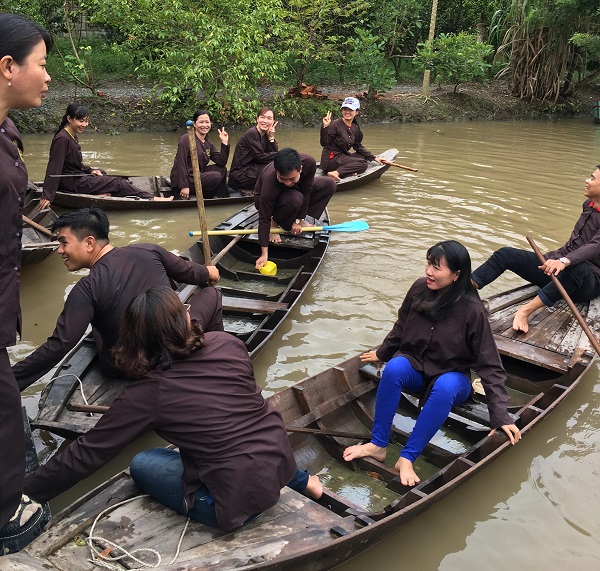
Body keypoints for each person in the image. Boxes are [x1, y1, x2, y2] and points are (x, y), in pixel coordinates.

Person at [24, 286, 323, 530]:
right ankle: (304, 480)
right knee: (239, 435)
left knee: (143, 461)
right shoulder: (228, 343)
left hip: (233, 506)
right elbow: (212, 296)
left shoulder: (147, 393)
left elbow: (87, 452)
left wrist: (23, 494)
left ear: (133, 340)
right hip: (281, 464)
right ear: (184, 318)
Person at [343, 240, 521, 487]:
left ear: (457, 275)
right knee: (394, 368)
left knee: (446, 387)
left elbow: (490, 364)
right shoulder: (418, 289)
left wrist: (500, 415)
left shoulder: (473, 310)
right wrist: (384, 353)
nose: (428, 271)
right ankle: (378, 444)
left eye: (437, 267)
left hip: (453, 376)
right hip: (418, 366)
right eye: (429, 263)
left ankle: (407, 457)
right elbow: (401, 326)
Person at [12, 207, 222, 390]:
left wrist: (10, 379)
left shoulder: (86, 288)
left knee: (96, 332)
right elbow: (193, 273)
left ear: (89, 243)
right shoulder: (149, 250)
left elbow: (59, 346)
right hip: (175, 347)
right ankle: (212, 353)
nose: (59, 250)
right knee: (212, 294)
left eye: (63, 243)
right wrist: (209, 272)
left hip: (130, 366)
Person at [0, 12, 51, 546]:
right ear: (8, 66)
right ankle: (4, 517)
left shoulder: (6, 133)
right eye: (41, 64)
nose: (47, 75)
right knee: (6, 423)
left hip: (2, 303)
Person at [471, 166, 600, 333]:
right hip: (557, 268)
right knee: (505, 254)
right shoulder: (588, 205)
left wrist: (564, 261)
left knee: (578, 268)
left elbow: (595, 246)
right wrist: (556, 259)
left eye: (592, 178)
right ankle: (462, 289)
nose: (587, 181)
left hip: (585, 283)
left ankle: (525, 311)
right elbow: (575, 243)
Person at [38, 104, 172, 209]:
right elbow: (53, 168)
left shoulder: (71, 135)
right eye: (81, 121)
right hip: (71, 183)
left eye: (86, 121)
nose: (84, 125)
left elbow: (73, 164)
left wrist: (90, 171)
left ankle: (99, 193)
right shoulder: (62, 139)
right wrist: (48, 195)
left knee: (101, 173)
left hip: (76, 177)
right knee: (117, 182)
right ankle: (152, 198)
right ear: (69, 119)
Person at [254, 147, 336, 270]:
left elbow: (306, 191)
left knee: (329, 184)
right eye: (282, 178)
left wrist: (299, 220)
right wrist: (264, 253)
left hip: (294, 191)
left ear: (300, 169)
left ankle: (299, 219)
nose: (287, 182)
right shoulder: (270, 181)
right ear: (277, 172)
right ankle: (275, 223)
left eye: (292, 178)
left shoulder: (309, 163)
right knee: (295, 198)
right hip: (267, 201)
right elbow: (263, 218)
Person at [170, 109, 230, 200]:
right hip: (187, 179)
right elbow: (180, 163)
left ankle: (220, 197)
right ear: (194, 124)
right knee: (215, 176)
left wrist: (224, 142)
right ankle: (206, 196)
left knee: (222, 170)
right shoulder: (186, 139)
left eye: (207, 122)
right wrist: (184, 186)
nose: (204, 125)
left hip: (197, 174)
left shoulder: (207, 143)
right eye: (201, 122)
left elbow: (221, 162)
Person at [319, 97, 383, 181]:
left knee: (363, 157)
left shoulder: (355, 127)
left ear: (356, 112)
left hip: (342, 156)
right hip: (331, 160)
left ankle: (348, 171)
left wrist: (373, 158)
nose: (347, 112)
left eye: (351, 110)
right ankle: (336, 172)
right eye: (345, 109)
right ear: (342, 111)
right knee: (363, 164)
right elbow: (324, 143)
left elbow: (357, 146)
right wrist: (325, 127)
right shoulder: (335, 124)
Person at [228, 107, 278, 192]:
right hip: (240, 176)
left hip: (251, 170)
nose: (265, 121)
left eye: (269, 118)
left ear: (273, 122)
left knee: (274, 166)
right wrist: (281, 155)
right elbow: (261, 157)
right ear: (257, 119)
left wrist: (271, 137)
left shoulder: (265, 134)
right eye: (262, 117)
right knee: (273, 169)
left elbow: (271, 154)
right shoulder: (252, 133)